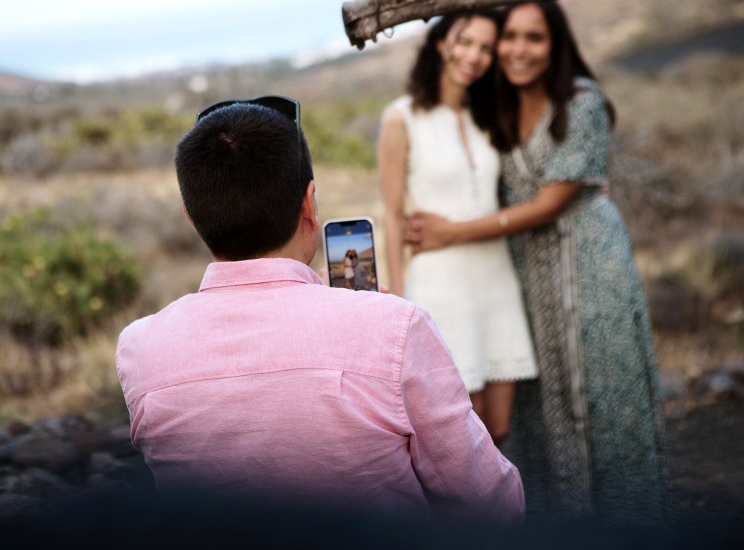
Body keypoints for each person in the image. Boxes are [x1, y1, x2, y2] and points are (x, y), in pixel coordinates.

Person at [115, 95, 524, 521]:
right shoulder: (394, 329)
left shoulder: (140, 350)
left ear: (193, 218)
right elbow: (493, 503)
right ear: (309, 203)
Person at [407, 3, 669, 525]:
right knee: (537, 404)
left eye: (535, 38)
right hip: (524, 272)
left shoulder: (582, 101)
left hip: (589, 262)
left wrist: (451, 232)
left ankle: (629, 525)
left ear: (556, 46)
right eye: (509, 38)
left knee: (603, 393)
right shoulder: (494, 105)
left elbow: (550, 202)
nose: (518, 50)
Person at [378, 10, 537, 445]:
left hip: (496, 277)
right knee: (464, 432)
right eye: (466, 42)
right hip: (440, 285)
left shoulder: (488, 116)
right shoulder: (401, 117)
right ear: (440, 44)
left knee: (500, 427)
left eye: (486, 48)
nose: (475, 56)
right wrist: (399, 297)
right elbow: (393, 215)